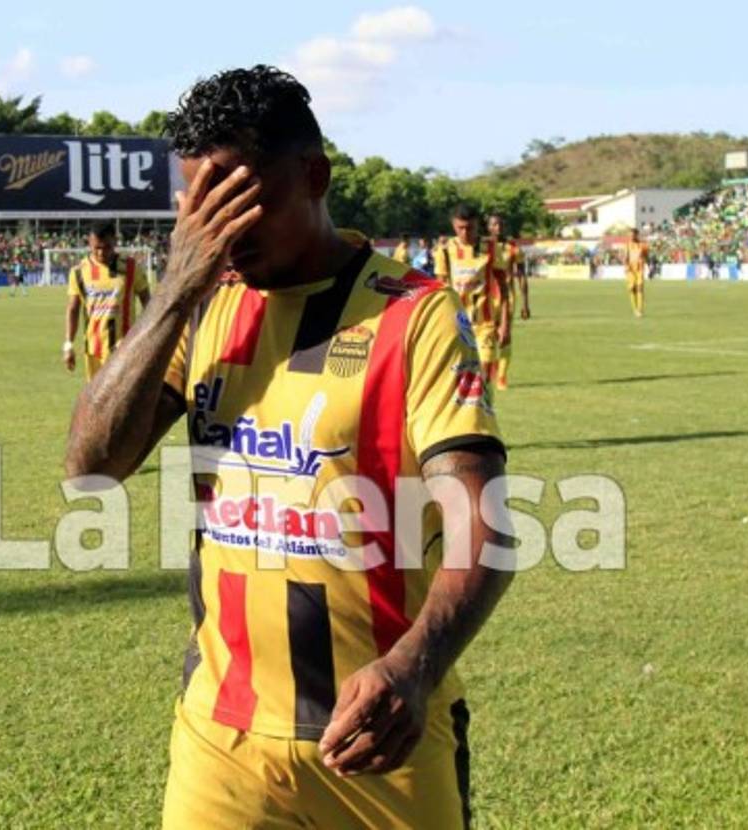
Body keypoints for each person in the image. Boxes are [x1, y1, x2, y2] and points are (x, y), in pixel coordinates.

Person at [64, 65, 512, 829]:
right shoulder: (203, 311)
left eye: (238, 198)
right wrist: (175, 291)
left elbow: (485, 525)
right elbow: (92, 467)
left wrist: (415, 665)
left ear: (313, 176)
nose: (220, 228)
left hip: (385, 736)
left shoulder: (417, 315)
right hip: (223, 739)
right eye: (198, 206)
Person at [63, 222, 151, 379]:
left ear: (115, 242)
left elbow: (148, 302)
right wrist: (68, 344)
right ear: (89, 242)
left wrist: (145, 335)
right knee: (97, 401)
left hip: (125, 349)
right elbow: (73, 309)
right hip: (93, 350)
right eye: (96, 247)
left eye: (107, 247)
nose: (101, 253)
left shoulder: (131, 267)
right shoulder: (78, 272)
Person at [435, 203, 509, 383]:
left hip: (485, 323)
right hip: (456, 324)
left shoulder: (491, 248)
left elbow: (504, 287)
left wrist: (505, 324)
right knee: (457, 378)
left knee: (483, 376)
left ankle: (483, 406)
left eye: (470, 228)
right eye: (461, 228)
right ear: (454, 225)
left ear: (477, 225)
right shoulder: (445, 251)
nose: (465, 233)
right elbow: (439, 290)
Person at [486, 214, 527, 391]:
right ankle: (489, 367)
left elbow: (522, 275)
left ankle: (501, 376)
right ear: (488, 227)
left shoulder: (513, 248)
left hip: (507, 297)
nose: (498, 227)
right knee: (486, 334)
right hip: (486, 296)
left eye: (501, 224)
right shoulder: (483, 247)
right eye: (495, 224)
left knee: (505, 336)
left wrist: (526, 303)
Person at [623, 228, 648, 317]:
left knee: (640, 288)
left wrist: (645, 263)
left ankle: (639, 310)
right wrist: (626, 266)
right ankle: (635, 310)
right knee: (632, 288)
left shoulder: (643, 245)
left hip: (640, 269)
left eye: (633, 235)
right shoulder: (627, 245)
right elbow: (625, 257)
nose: (631, 236)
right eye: (630, 235)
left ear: (637, 235)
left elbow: (646, 255)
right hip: (630, 270)